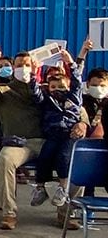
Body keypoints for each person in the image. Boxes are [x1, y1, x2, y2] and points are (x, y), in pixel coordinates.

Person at [0, 46, 43, 230]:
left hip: (45, 143)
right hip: (19, 144)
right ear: (13, 67)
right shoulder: (3, 91)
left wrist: (82, 123)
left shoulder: (41, 90)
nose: (24, 68)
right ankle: (9, 212)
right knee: (5, 159)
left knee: (74, 158)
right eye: (19, 65)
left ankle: (67, 213)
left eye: (27, 65)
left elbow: (72, 105)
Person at [29, 52, 87, 226]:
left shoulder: (74, 98)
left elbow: (76, 81)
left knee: (64, 157)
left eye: (61, 86)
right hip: (53, 134)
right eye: (53, 87)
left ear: (68, 87)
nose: (57, 90)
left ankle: (63, 187)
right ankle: (40, 187)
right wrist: (34, 73)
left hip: (70, 135)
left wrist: (71, 63)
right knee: (44, 156)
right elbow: (35, 92)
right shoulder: (47, 100)